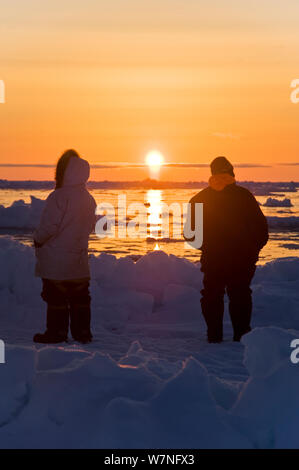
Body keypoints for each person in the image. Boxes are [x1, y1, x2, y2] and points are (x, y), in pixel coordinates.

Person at [185, 156, 268, 343]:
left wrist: (208, 249)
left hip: (225, 258)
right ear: (231, 172)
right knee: (237, 295)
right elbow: (261, 229)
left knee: (216, 295)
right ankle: (240, 336)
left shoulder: (200, 198)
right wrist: (252, 250)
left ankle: (216, 336)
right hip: (236, 258)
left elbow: (191, 235)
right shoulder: (243, 196)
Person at [33, 149, 97, 344]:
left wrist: (38, 240)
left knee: (55, 298)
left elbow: (48, 226)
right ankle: (82, 333)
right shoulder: (88, 198)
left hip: (56, 258)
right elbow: (90, 226)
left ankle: (56, 333)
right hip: (78, 258)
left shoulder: (58, 196)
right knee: (80, 299)